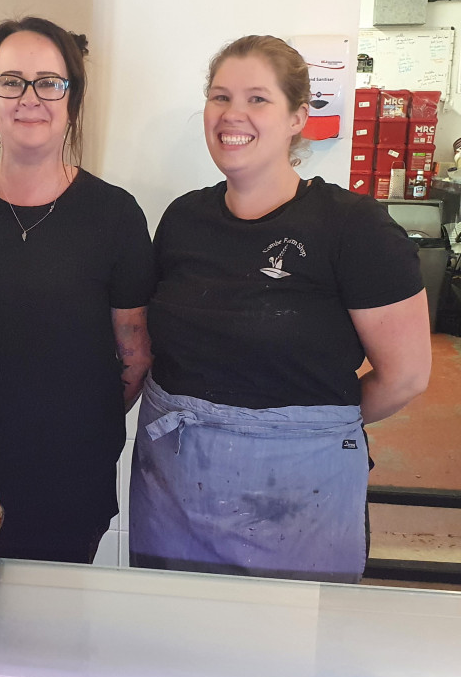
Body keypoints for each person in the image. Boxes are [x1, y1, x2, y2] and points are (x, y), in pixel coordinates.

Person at [129, 35, 431, 583]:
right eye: (219, 97)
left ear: (297, 117)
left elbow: (406, 376)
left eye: (257, 99)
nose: (232, 115)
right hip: (173, 486)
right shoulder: (182, 219)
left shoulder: (354, 228)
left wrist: (299, 437)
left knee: (288, 652)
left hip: (301, 496)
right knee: (174, 646)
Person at [0, 18, 156, 563]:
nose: (30, 98)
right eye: (12, 81)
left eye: (49, 82)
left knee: (56, 632)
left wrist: (73, 420)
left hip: (70, 477)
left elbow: (134, 353)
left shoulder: (114, 215)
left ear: (73, 99)